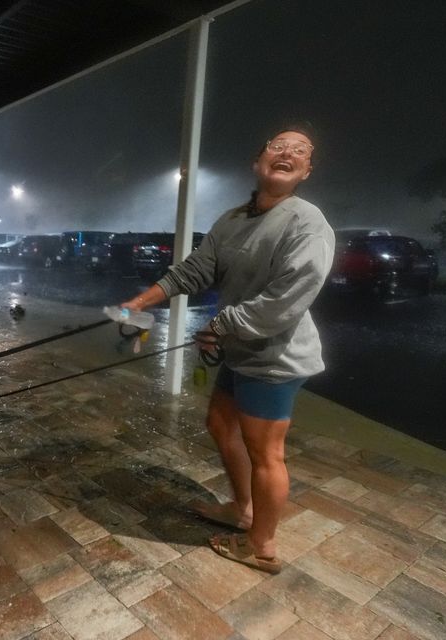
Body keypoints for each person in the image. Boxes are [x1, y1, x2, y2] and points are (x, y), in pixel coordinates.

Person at [118, 125, 334, 574]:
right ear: (258, 162)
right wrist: (138, 303)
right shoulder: (234, 220)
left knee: (266, 453)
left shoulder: (307, 223)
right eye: (278, 145)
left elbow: (287, 299)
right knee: (220, 423)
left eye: (300, 151)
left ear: (306, 171)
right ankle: (243, 508)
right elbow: (196, 270)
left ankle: (261, 544)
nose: (287, 152)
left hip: (275, 356)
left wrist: (220, 325)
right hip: (240, 348)